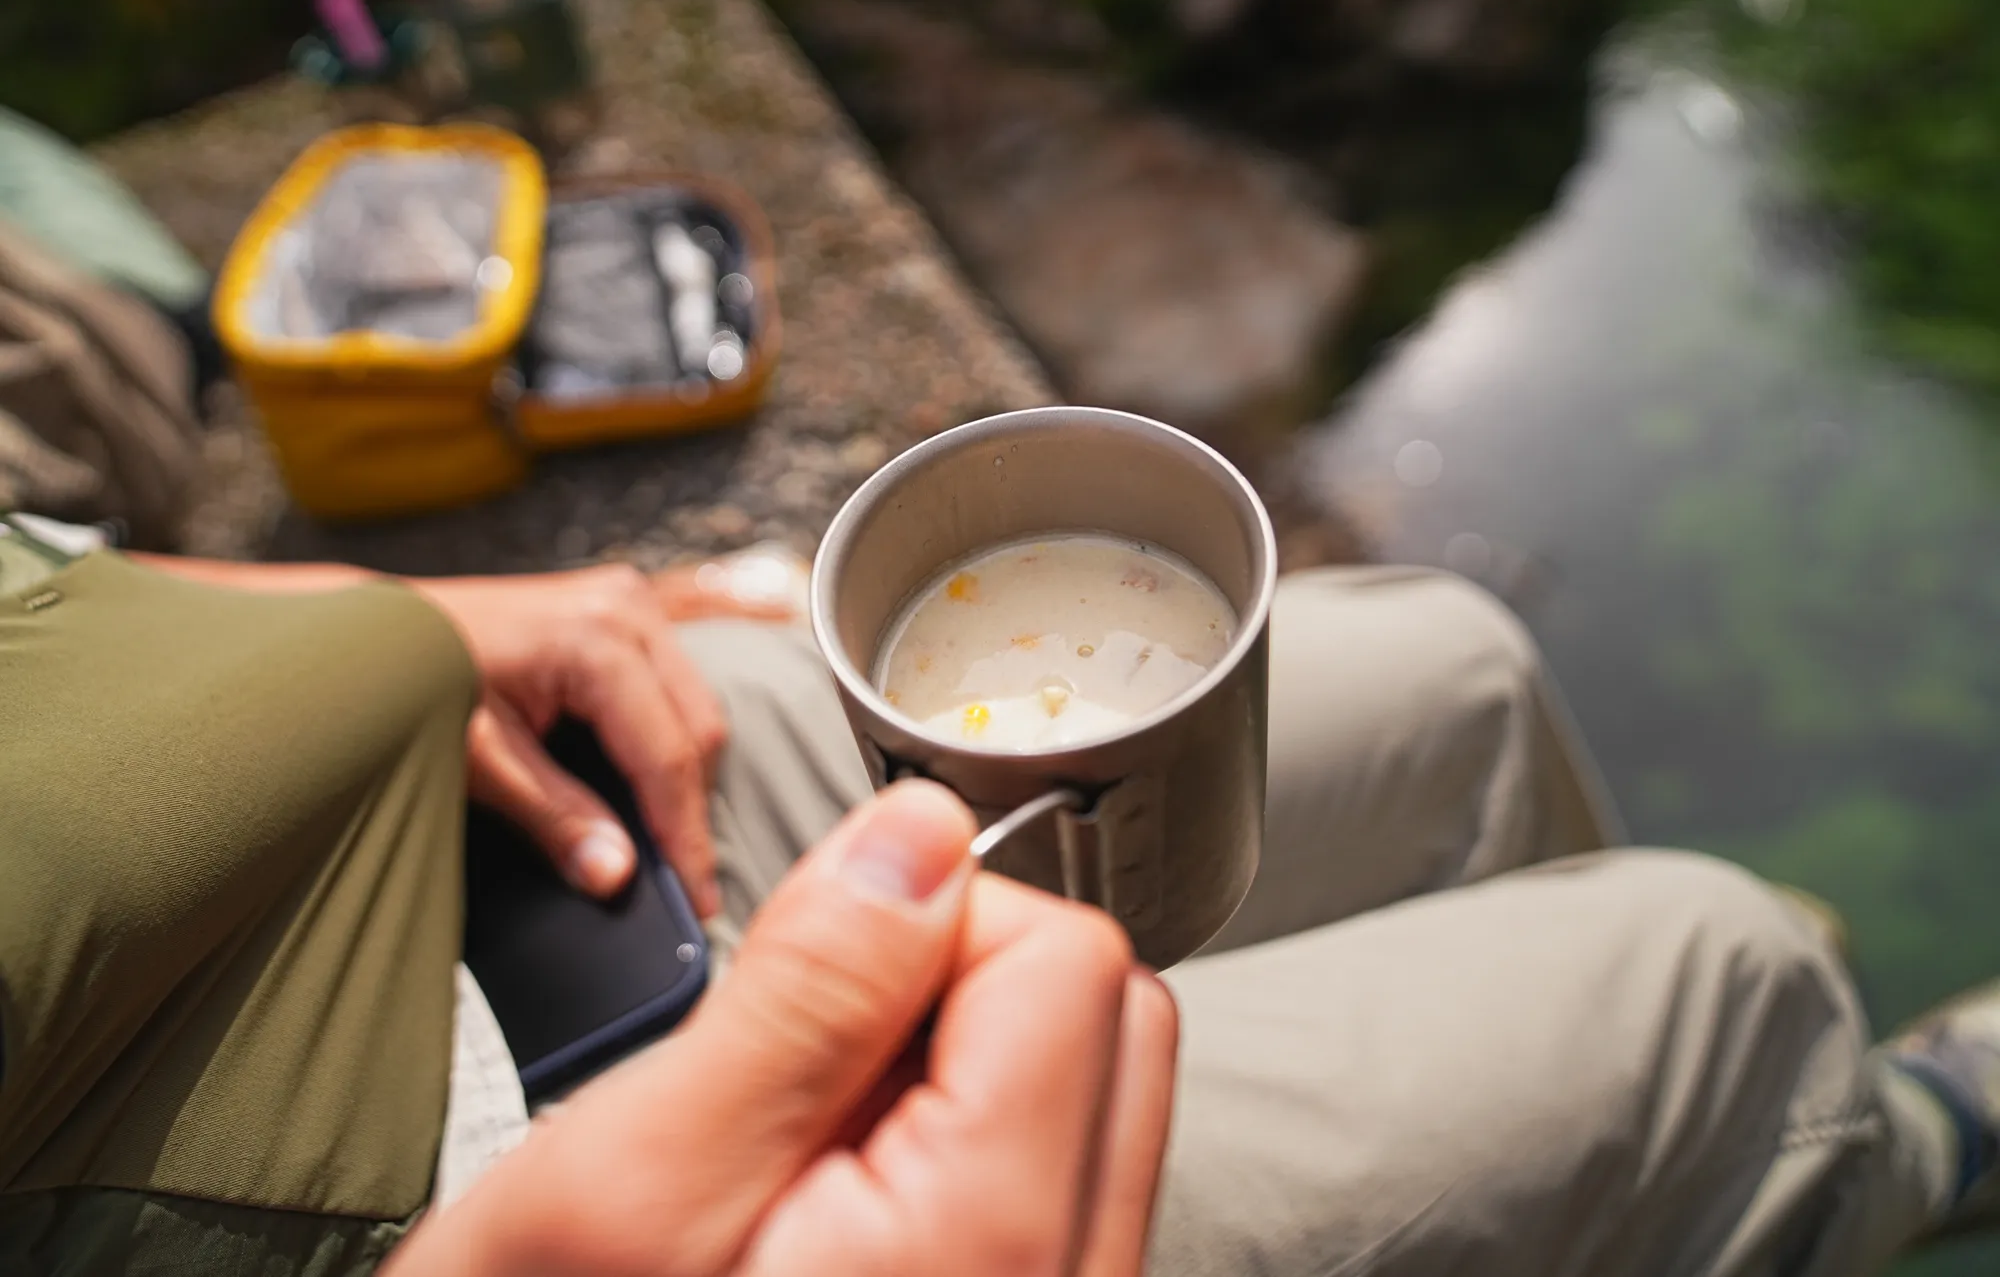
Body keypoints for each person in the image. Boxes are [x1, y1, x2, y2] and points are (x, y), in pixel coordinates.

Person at [1, 513, 1996, 1277]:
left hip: (474, 789)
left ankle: (1628, 1203)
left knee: (1460, 667)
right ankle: (1880, 1139)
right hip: (483, 1181)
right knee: (1707, 974)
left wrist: (380, 618)